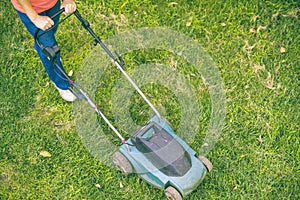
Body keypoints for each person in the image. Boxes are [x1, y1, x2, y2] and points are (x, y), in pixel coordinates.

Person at [11, 0, 77, 102]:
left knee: (50, 31)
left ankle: (39, 45)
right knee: (49, 49)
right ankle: (62, 84)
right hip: (32, 10)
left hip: (52, 3)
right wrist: (35, 18)